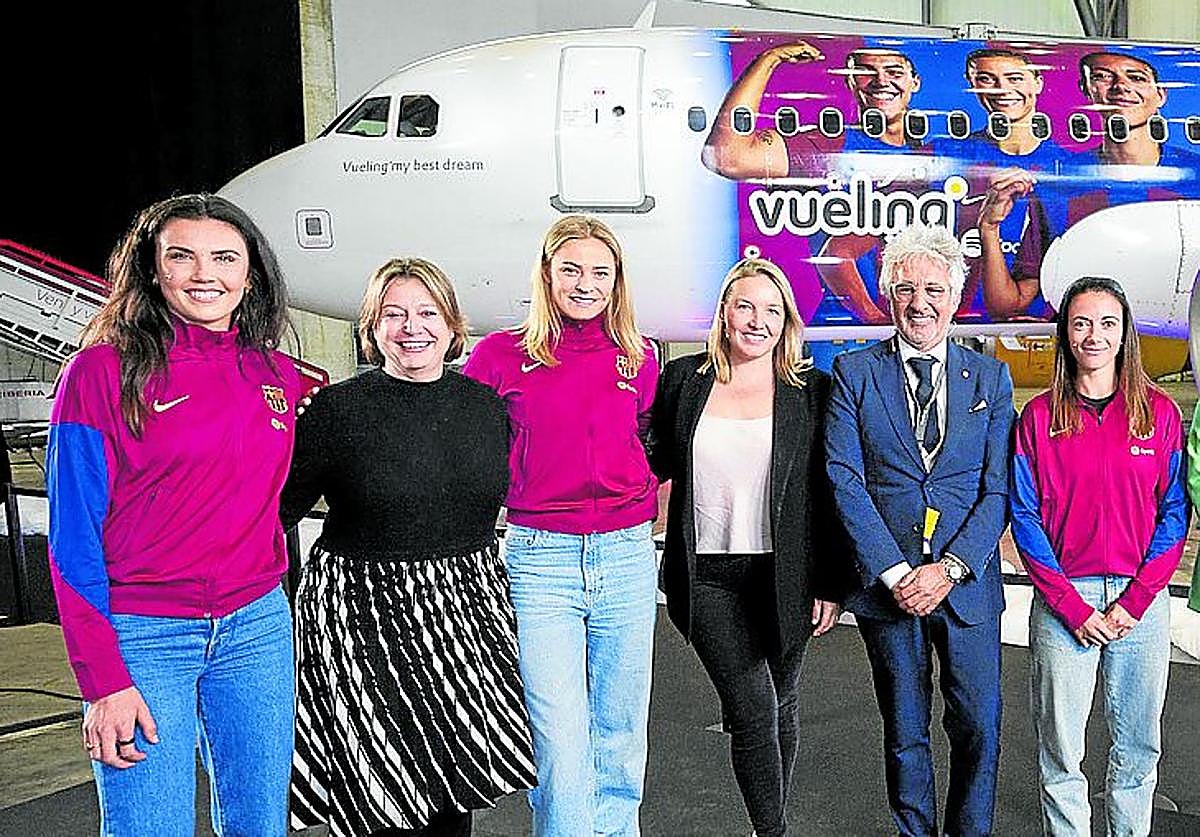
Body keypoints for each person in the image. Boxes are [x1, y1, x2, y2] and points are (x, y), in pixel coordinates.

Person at [47, 193, 301, 835]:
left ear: (251, 274)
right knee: (148, 826)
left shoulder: (275, 373)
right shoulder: (100, 373)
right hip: (144, 635)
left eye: (223, 257)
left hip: (257, 628)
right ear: (153, 270)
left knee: (260, 824)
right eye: (181, 256)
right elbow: (73, 541)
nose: (203, 273)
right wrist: (102, 679)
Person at [281, 257, 535, 837]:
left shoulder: (486, 408)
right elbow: (276, 513)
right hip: (361, 621)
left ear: (452, 326)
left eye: (426, 313)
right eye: (393, 314)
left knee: (452, 782)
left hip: (467, 614)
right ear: (372, 328)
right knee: (379, 791)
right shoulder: (335, 412)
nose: (411, 327)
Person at [463, 215, 659, 836]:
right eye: (570, 269)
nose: (585, 283)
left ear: (616, 281)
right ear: (546, 274)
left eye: (600, 272)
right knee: (558, 737)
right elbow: (460, 441)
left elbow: (646, 438)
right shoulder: (499, 356)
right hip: (538, 562)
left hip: (627, 556)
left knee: (621, 731)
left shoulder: (641, 355)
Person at [824, 223, 1013, 836]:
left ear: (955, 297)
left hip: (967, 590)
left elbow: (997, 489)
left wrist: (951, 568)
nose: (919, 302)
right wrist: (899, 572)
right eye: (904, 288)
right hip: (890, 589)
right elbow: (844, 479)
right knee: (905, 731)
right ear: (888, 296)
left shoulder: (989, 379)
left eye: (933, 287)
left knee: (979, 728)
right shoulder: (854, 373)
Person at [650, 257, 847, 837]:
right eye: (744, 306)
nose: (756, 321)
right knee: (753, 711)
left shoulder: (810, 391)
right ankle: (774, 832)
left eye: (770, 310)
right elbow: (652, 457)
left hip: (786, 575)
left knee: (781, 704)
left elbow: (826, 492)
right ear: (723, 314)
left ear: (786, 321)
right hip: (708, 576)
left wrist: (831, 584)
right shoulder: (684, 380)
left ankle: (771, 824)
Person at [1010, 276, 1187, 836]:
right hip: (1068, 605)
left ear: (1124, 333)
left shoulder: (1158, 415)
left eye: (1107, 323)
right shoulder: (1038, 418)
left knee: (1138, 747)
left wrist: (1134, 603)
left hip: (1141, 606)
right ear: (1065, 333)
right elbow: (1025, 516)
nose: (1093, 336)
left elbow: (1174, 516)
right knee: (1061, 753)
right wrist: (1071, 607)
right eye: (1081, 323)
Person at [703, 44, 925, 325]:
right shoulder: (830, 146)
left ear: (914, 82)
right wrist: (768, 60)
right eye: (866, 72)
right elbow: (728, 157)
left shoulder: (933, 154)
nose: (881, 81)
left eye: (893, 72)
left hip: (916, 325)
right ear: (851, 81)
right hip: (846, 330)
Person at [978, 52, 1200, 320]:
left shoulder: (1193, 177)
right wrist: (989, 228)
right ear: (1087, 90)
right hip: (1091, 350)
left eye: (1136, 78)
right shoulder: (1060, 186)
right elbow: (1009, 305)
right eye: (1103, 77)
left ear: (1160, 95)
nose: (1121, 87)